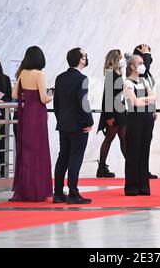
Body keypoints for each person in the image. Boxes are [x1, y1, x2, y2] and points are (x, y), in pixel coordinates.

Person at [9, 46, 53, 202]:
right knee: (39, 152)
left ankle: (26, 190)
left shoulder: (22, 73)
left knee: (27, 152)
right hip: (37, 113)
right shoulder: (39, 74)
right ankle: (39, 190)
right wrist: (52, 93)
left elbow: (14, 94)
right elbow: (44, 98)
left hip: (26, 113)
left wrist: (27, 96)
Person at [53, 48, 94, 204]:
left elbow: (56, 103)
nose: (86, 58)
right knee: (75, 158)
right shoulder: (82, 78)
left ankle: (58, 193)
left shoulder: (60, 78)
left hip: (63, 124)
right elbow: (83, 102)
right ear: (80, 60)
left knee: (63, 157)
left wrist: (61, 119)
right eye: (85, 56)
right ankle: (73, 193)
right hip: (78, 126)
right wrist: (89, 121)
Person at [123, 55, 157, 196]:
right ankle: (132, 185)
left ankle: (144, 185)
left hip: (147, 119)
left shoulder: (144, 81)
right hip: (134, 119)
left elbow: (154, 97)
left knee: (144, 151)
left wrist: (144, 100)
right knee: (133, 152)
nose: (143, 65)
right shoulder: (127, 82)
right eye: (140, 63)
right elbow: (134, 102)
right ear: (132, 66)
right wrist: (145, 100)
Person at [96, 49, 127, 178]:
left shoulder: (116, 74)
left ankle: (132, 164)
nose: (122, 60)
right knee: (109, 138)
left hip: (120, 111)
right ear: (115, 59)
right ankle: (101, 167)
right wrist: (109, 116)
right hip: (114, 113)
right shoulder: (111, 74)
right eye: (120, 57)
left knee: (124, 139)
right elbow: (108, 97)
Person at [133, 44, 158, 179]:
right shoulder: (135, 71)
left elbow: (150, 92)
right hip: (137, 113)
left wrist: (153, 109)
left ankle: (144, 171)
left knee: (146, 143)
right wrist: (146, 54)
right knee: (138, 143)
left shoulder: (146, 73)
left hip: (147, 111)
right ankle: (139, 171)